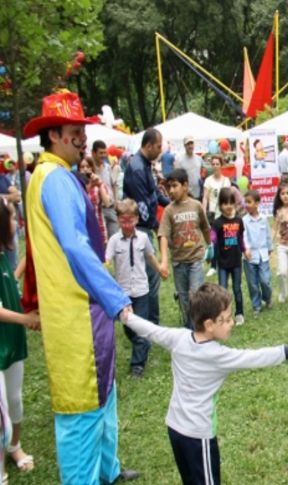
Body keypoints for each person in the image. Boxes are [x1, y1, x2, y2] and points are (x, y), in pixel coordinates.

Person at [23, 90, 139, 483]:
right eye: (74, 132)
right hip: (76, 313)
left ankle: (109, 469)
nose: (82, 139)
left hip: (86, 309)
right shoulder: (54, 178)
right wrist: (116, 297)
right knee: (81, 409)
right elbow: (73, 244)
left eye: (82, 131)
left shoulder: (58, 175)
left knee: (103, 396)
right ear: (53, 135)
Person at [120, 283, 288, 485]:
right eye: (226, 320)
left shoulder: (178, 338)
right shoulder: (217, 355)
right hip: (198, 437)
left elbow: (151, 330)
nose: (231, 323)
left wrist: (126, 316)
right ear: (209, 325)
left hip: (174, 429)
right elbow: (254, 357)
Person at [0, 200, 40, 478]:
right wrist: (26, 319)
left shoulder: (4, 256)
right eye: (13, 219)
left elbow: (9, 282)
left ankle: (15, 446)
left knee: (15, 400)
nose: (17, 224)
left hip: (12, 341)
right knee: (0, 406)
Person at [105, 199, 162, 378]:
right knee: (128, 327)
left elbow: (150, 257)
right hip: (123, 293)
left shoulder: (143, 238)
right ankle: (143, 344)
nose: (127, 224)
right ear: (118, 220)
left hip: (141, 290)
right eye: (123, 221)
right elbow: (107, 259)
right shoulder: (114, 240)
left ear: (136, 219)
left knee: (140, 328)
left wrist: (160, 269)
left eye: (130, 220)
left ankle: (137, 365)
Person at [124, 127, 170, 330]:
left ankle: (149, 321)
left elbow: (153, 195)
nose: (161, 150)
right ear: (149, 145)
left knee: (148, 279)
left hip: (145, 227)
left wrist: (173, 203)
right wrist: (157, 226)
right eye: (159, 146)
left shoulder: (145, 165)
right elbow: (142, 205)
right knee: (149, 278)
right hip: (139, 229)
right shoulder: (136, 168)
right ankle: (149, 324)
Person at [158, 169, 211, 329]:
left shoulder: (196, 206)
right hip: (178, 262)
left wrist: (211, 247)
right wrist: (164, 262)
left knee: (195, 294)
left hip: (195, 258)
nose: (171, 190)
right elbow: (163, 235)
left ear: (185, 186)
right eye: (169, 187)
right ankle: (188, 330)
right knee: (184, 298)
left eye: (175, 186)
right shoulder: (169, 210)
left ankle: (197, 329)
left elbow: (205, 228)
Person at [213, 188, 245, 325]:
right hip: (223, 263)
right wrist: (211, 240)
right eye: (225, 203)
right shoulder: (217, 222)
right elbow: (213, 237)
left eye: (231, 203)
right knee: (222, 290)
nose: (228, 206)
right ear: (220, 205)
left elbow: (241, 238)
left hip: (236, 261)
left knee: (237, 289)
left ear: (234, 204)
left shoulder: (238, 220)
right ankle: (224, 315)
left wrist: (245, 250)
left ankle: (239, 313)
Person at [242, 190, 274, 313]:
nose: (247, 204)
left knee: (265, 280)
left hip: (263, 254)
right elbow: (243, 236)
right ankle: (256, 305)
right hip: (249, 256)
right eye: (246, 202)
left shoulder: (263, 219)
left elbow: (267, 235)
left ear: (257, 204)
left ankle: (267, 298)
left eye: (249, 202)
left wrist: (270, 248)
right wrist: (246, 249)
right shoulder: (244, 220)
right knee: (252, 283)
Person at [78, 156, 113, 244]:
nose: (85, 169)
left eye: (88, 166)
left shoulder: (98, 184)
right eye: (82, 167)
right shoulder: (77, 184)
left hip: (98, 225)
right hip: (83, 227)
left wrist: (100, 184)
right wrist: (90, 186)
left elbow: (107, 203)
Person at [92, 141, 119, 237]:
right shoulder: (90, 169)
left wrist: (116, 202)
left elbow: (113, 185)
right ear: (93, 153)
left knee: (115, 237)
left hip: (110, 208)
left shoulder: (108, 168)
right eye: (101, 153)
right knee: (101, 239)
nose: (103, 155)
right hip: (97, 209)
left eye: (105, 153)